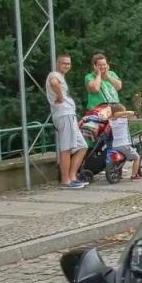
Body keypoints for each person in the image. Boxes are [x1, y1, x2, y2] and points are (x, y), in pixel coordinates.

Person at [46, 53, 88, 188]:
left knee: (82, 146)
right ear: (58, 64)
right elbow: (53, 82)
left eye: (69, 64)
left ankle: (72, 176)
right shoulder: (55, 75)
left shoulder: (61, 77)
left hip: (69, 115)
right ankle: (65, 180)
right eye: (64, 63)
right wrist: (59, 96)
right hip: (64, 114)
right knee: (66, 148)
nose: (67, 66)